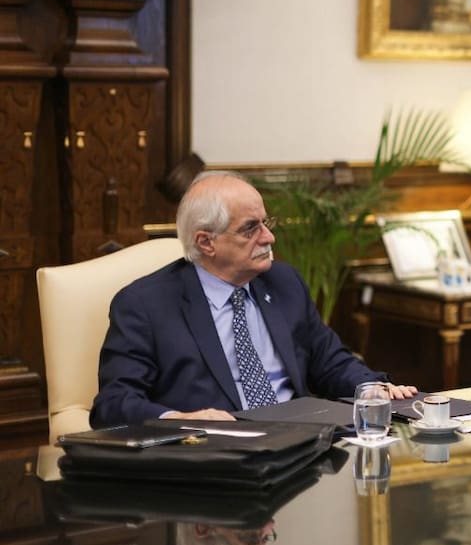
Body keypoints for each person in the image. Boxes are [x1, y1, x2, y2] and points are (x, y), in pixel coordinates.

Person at [91, 171, 417, 426]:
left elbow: (329, 361)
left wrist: (374, 388)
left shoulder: (283, 282)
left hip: (299, 448)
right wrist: (179, 421)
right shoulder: (146, 305)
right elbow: (114, 403)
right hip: (216, 458)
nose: (269, 237)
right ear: (206, 242)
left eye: (266, 222)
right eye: (250, 229)